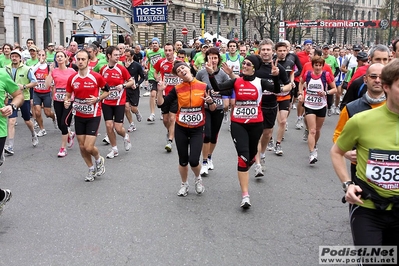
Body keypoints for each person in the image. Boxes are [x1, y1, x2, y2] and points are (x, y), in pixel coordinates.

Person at [330, 59, 399, 262]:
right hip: (368, 207)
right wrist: (347, 184)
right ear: (387, 87)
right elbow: (336, 151)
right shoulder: (361, 120)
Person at [208, 55, 283, 209]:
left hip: (256, 124)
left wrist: (276, 77)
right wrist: (211, 74)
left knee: (249, 156)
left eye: (248, 64)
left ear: (254, 67)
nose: (245, 66)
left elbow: (276, 90)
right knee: (242, 158)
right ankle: (245, 195)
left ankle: (250, 162)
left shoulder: (260, 82)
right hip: (238, 124)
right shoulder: (236, 81)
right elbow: (217, 88)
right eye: (244, 63)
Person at [156, 61, 214, 197]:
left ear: (189, 69)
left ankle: (198, 178)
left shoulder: (203, 86)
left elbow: (212, 109)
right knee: (183, 160)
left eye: (183, 67)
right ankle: (184, 184)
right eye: (178, 71)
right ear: (178, 76)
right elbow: (161, 104)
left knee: (194, 160)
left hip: (197, 128)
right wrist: (160, 91)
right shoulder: (177, 89)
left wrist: (210, 101)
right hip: (181, 128)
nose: (181, 70)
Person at [64, 50, 109, 182]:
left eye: (83, 59)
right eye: (79, 59)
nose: (81, 61)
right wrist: (67, 101)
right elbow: (68, 95)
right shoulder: (72, 78)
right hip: (78, 115)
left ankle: (98, 158)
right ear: (75, 61)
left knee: (89, 147)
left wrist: (97, 99)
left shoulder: (96, 77)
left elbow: (107, 91)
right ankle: (90, 169)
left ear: (89, 61)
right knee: (82, 146)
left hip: (93, 115)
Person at [196, 47, 230, 175]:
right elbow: (196, 87)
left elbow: (229, 89)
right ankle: (204, 162)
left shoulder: (223, 74)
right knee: (207, 134)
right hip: (204, 107)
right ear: (206, 59)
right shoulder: (201, 73)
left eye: (215, 58)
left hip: (219, 107)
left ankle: (209, 157)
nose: (213, 60)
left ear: (219, 60)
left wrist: (220, 91)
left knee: (214, 135)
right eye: (210, 57)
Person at [298, 56, 337, 164]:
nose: (318, 67)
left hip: (321, 105)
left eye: (320, 65)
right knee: (312, 130)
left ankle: (314, 145)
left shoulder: (326, 75)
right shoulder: (308, 74)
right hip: (309, 105)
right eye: (316, 65)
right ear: (313, 65)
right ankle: (311, 153)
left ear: (322, 66)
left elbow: (334, 89)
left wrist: (326, 93)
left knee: (318, 130)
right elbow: (301, 83)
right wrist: (301, 93)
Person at [99, 46, 134, 159]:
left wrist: (123, 85)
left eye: (119, 55)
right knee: (109, 126)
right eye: (115, 55)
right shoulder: (103, 69)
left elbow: (131, 81)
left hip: (119, 101)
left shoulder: (121, 68)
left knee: (118, 128)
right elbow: (100, 83)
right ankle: (114, 149)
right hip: (106, 101)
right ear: (109, 56)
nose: (118, 57)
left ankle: (125, 136)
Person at [4, 50, 39, 155]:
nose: (14, 58)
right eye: (12, 56)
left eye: (16, 56)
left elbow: (35, 82)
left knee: (27, 120)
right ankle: (10, 146)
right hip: (11, 97)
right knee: (11, 120)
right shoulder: (6, 69)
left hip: (24, 98)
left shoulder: (27, 69)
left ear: (20, 58)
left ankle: (33, 134)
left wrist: (24, 86)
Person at [0, 67, 24, 215]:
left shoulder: (2, 74)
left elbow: (18, 95)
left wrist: (11, 106)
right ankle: (2, 196)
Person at [45, 50, 77, 157]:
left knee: (64, 123)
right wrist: (50, 72)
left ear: (66, 58)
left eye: (61, 56)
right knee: (60, 124)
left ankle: (63, 148)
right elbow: (47, 85)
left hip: (69, 100)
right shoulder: (54, 71)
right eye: (57, 56)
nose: (59, 58)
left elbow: (76, 84)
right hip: (57, 100)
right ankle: (70, 134)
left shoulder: (72, 71)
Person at [153, 43, 181, 152]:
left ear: (173, 51)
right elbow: (155, 72)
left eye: (170, 50)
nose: (168, 52)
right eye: (166, 50)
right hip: (164, 93)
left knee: (172, 118)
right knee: (165, 119)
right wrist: (157, 78)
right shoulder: (161, 62)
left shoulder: (179, 62)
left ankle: (170, 140)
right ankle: (170, 131)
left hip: (176, 94)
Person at [31, 49, 57, 137]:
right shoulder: (35, 66)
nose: (41, 57)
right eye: (39, 55)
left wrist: (53, 94)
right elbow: (31, 72)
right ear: (37, 56)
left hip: (46, 93)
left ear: (46, 56)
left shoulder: (48, 67)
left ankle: (54, 117)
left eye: (43, 55)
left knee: (47, 113)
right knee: (37, 112)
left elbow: (52, 81)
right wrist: (39, 63)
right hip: (36, 92)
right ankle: (42, 129)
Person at [124, 49, 144, 132]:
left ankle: (137, 112)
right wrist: (125, 67)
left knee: (133, 109)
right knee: (126, 108)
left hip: (134, 89)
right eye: (125, 56)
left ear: (132, 56)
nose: (126, 58)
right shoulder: (122, 65)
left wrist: (137, 84)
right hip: (125, 89)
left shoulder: (137, 65)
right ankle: (131, 124)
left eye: (128, 56)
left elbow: (143, 77)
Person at [146, 38, 165, 122]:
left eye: (156, 43)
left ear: (159, 44)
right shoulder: (149, 53)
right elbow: (149, 62)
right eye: (153, 43)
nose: (154, 44)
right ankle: (152, 114)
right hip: (151, 75)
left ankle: (162, 111)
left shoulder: (162, 52)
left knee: (160, 93)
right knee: (153, 94)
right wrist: (148, 68)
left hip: (161, 75)